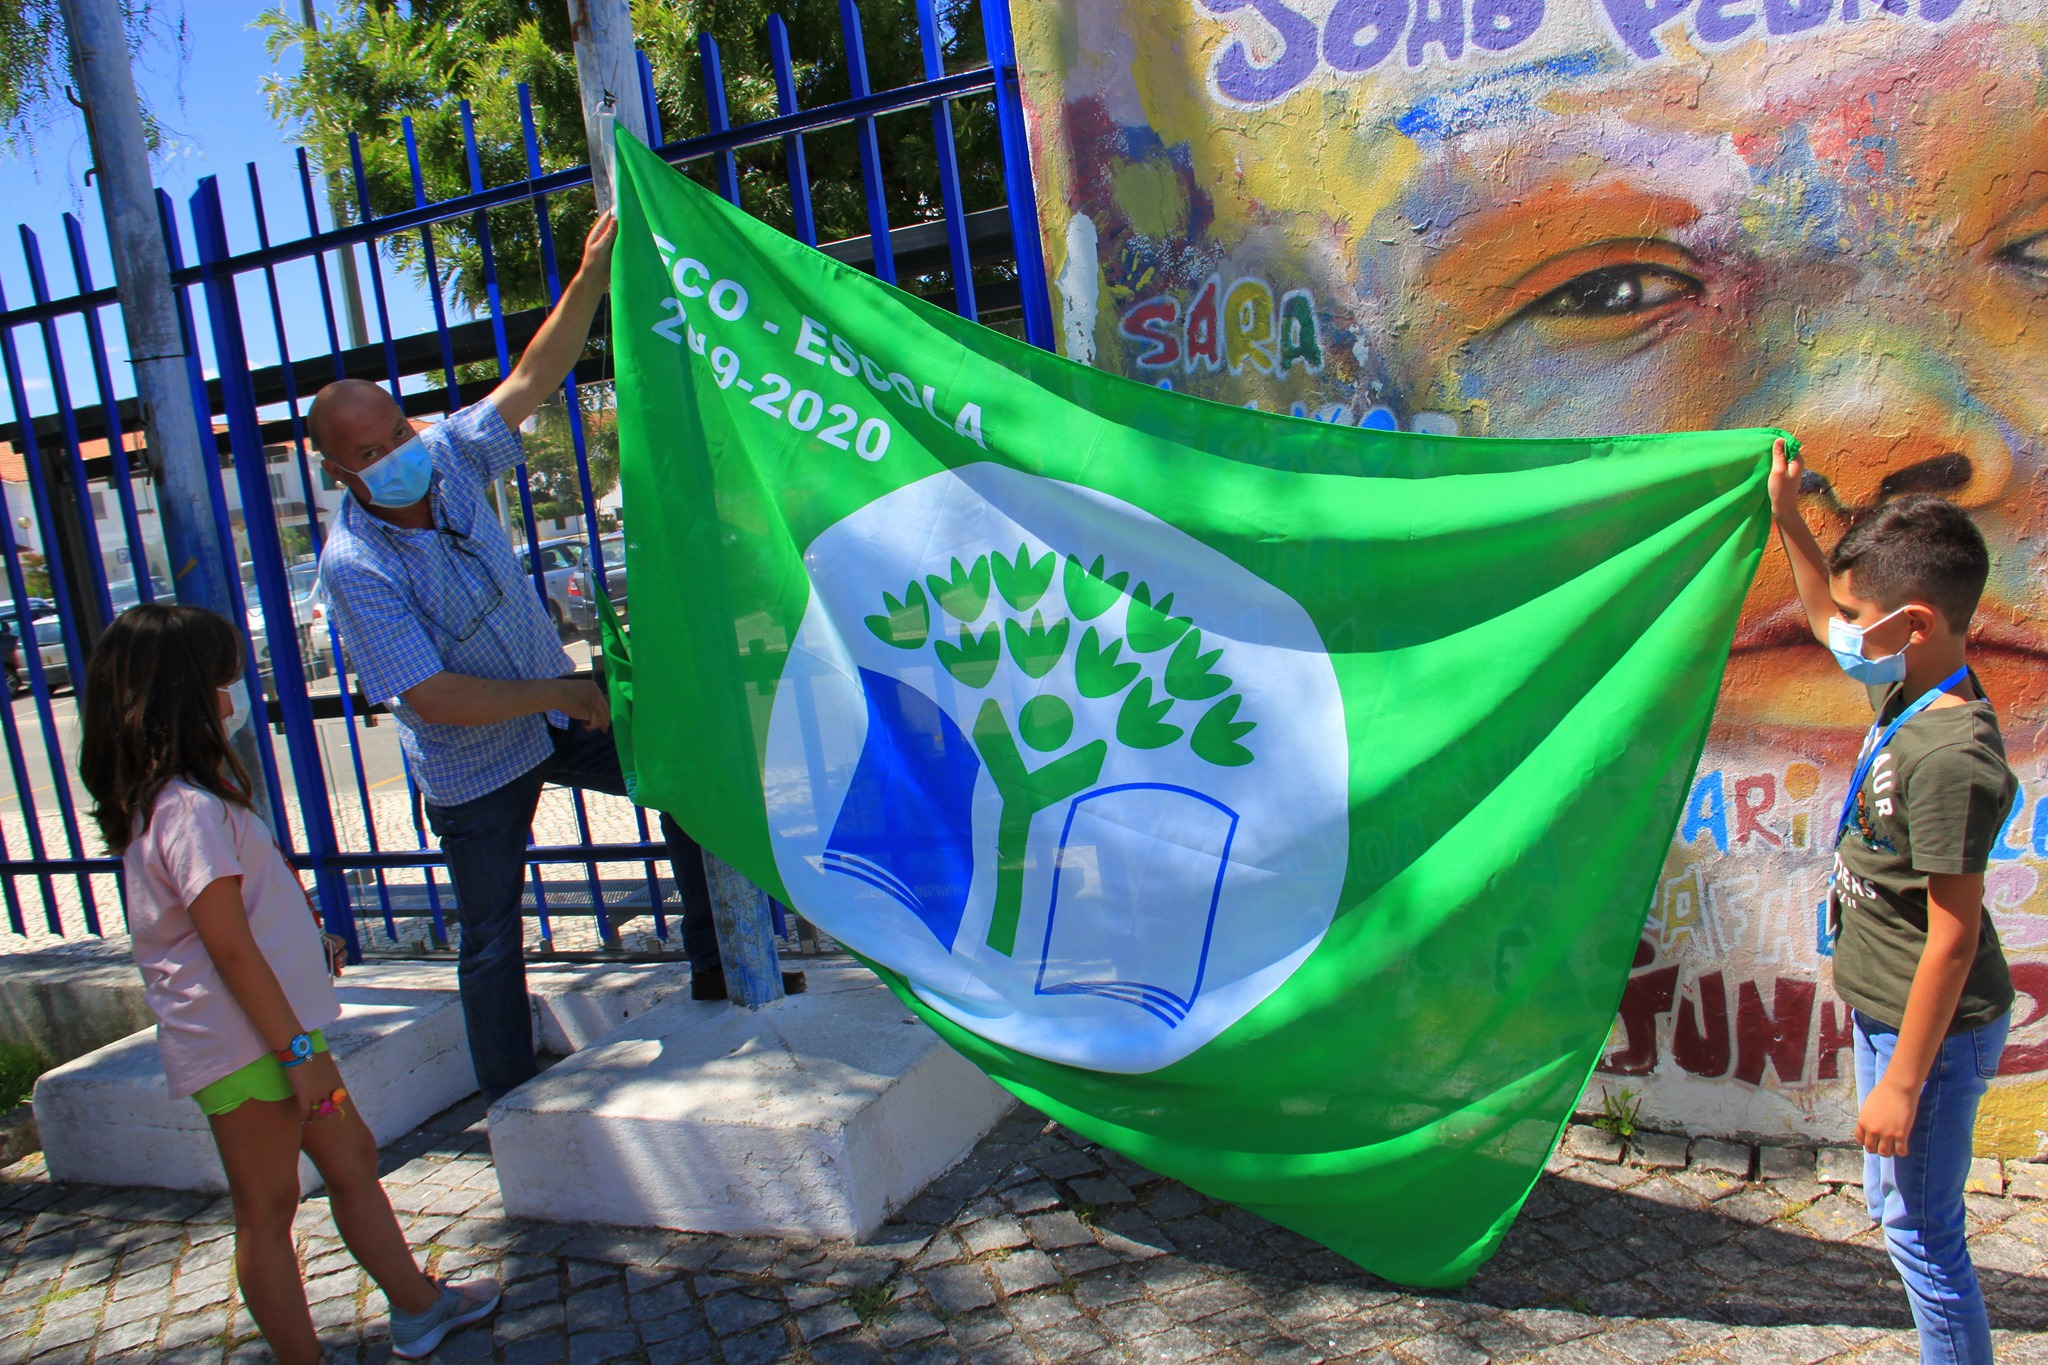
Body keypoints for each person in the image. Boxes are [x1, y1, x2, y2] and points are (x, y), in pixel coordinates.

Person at [307, 212, 799, 1105]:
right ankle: (509, 1093)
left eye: (397, 435)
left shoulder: (449, 458)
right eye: (370, 455)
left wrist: (592, 276)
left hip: (558, 704)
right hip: (474, 760)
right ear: (342, 474)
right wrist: (563, 693)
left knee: (686, 783)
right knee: (493, 933)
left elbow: (536, 374)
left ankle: (721, 967)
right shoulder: (356, 565)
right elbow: (432, 697)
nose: (395, 459)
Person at [78, 604, 500, 1363]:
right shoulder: (185, 811)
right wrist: (299, 1052)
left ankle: (417, 1305)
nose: (232, 693)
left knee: (352, 1158)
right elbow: (230, 949)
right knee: (268, 1208)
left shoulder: (178, 805)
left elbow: (249, 922)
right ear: (187, 692)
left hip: (276, 1042)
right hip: (255, 1053)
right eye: (222, 680)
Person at [1768, 437, 2015, 1365]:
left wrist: (1906, 1080)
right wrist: (1790, 515)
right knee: (1896, 1203)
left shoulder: (1951, 754)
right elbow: (1829, 615)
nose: (1842, 634)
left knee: (1923, 1234)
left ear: (1911, 625)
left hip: (1934, 1034)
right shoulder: (1915, 683)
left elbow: (1953, 934)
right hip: (1889, 1009)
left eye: (1862, 618)